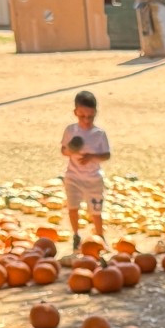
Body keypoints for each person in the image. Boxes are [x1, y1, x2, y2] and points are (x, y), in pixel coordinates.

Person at [60, 90, 109, 247]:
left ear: (95, 113)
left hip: (93, 178)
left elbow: (106, 155)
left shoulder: (99, 134)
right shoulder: (70, 131)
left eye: (90, 116)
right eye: (82, 116)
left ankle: (100, 236)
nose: (86, 120)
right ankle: (76, 235)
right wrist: (71, 150)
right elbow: (63, 151)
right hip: (73, 177)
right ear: (75, 112)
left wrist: (91, 157)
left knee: (96, 210)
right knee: (73, 207)